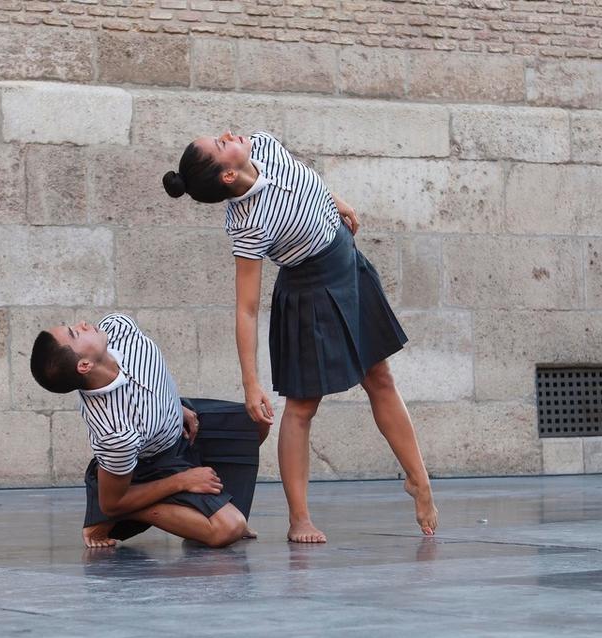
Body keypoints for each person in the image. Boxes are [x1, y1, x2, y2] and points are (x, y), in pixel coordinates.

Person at [162, 130, 439, 543]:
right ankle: (299, 519)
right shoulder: (247, 224)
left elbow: (303, 178)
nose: (227, 135)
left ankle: (419, 480)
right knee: (302, 407)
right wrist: (251, 382)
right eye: (220, 146)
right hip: (310, 291)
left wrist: (336, 203)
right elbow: (246, 308)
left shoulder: (263, 144)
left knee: (380, 377)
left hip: (347, 264)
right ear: (226, 176)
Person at [30, 313, 267, 548]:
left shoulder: (118, 328)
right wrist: (182, 481)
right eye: (75, 333)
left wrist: (174, 406)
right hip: (155, 464)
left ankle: (193, 509)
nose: (82, 323)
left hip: (178, 424)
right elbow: (112, 501)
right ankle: (126, 515)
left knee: (258, 418)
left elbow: (152, 379)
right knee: (230, 527)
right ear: (85, 365)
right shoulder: (115, 432)